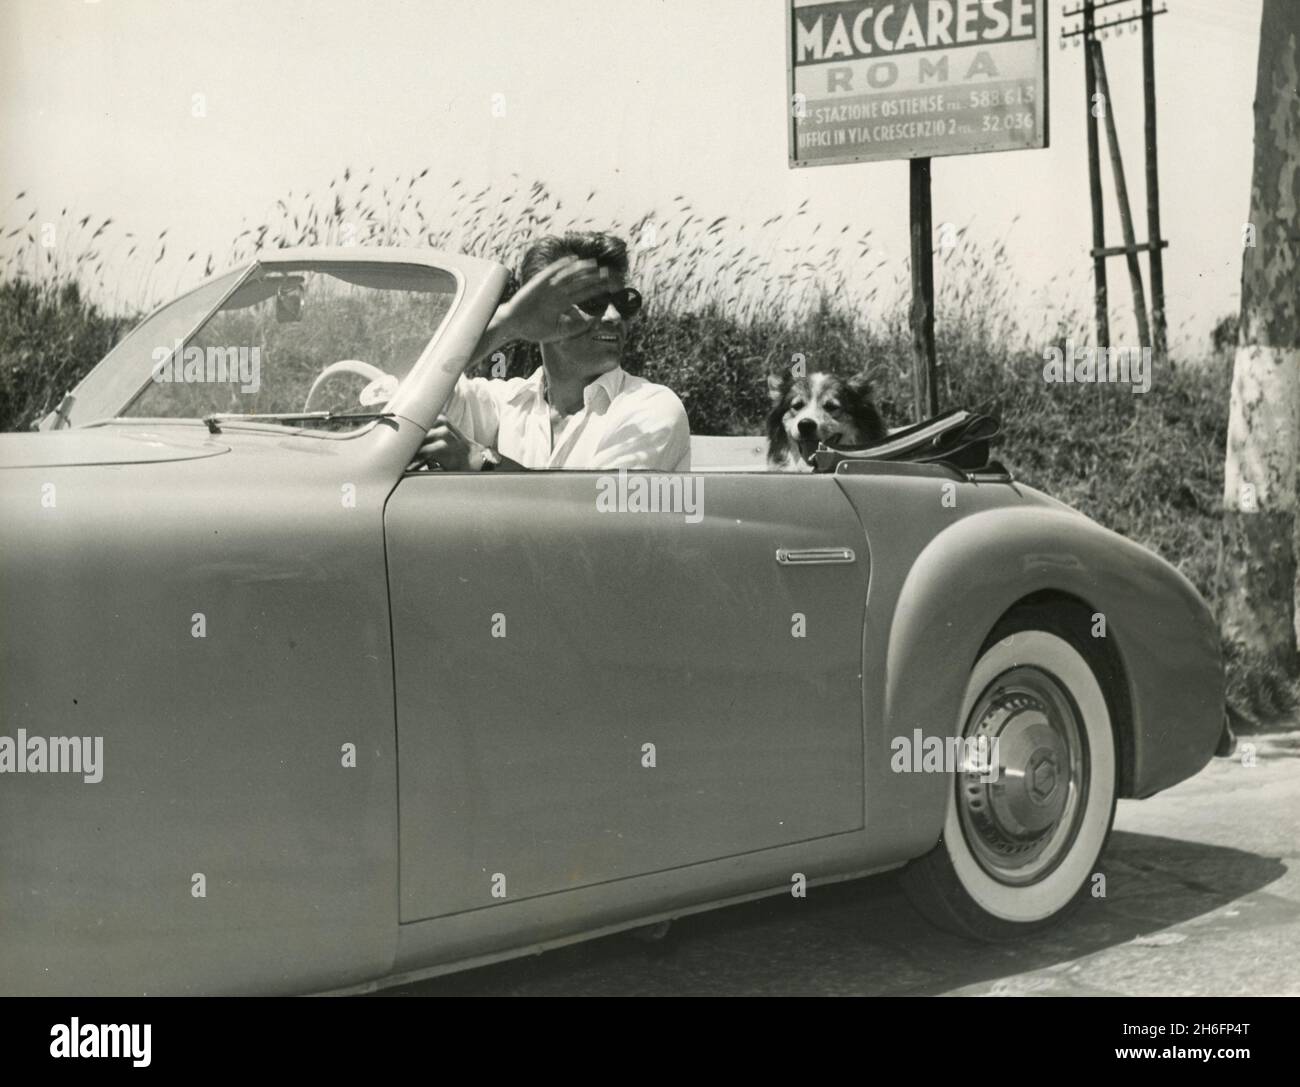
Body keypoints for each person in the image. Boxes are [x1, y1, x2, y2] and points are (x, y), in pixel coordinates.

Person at [412, 232, 690, 472]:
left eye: (624, 301)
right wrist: (508, 323)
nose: (614, 316)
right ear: (538, 310)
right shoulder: (503, 404)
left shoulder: (651, 408)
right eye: (592, 301)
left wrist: (479, 460)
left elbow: (592, 518)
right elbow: (403, 385)